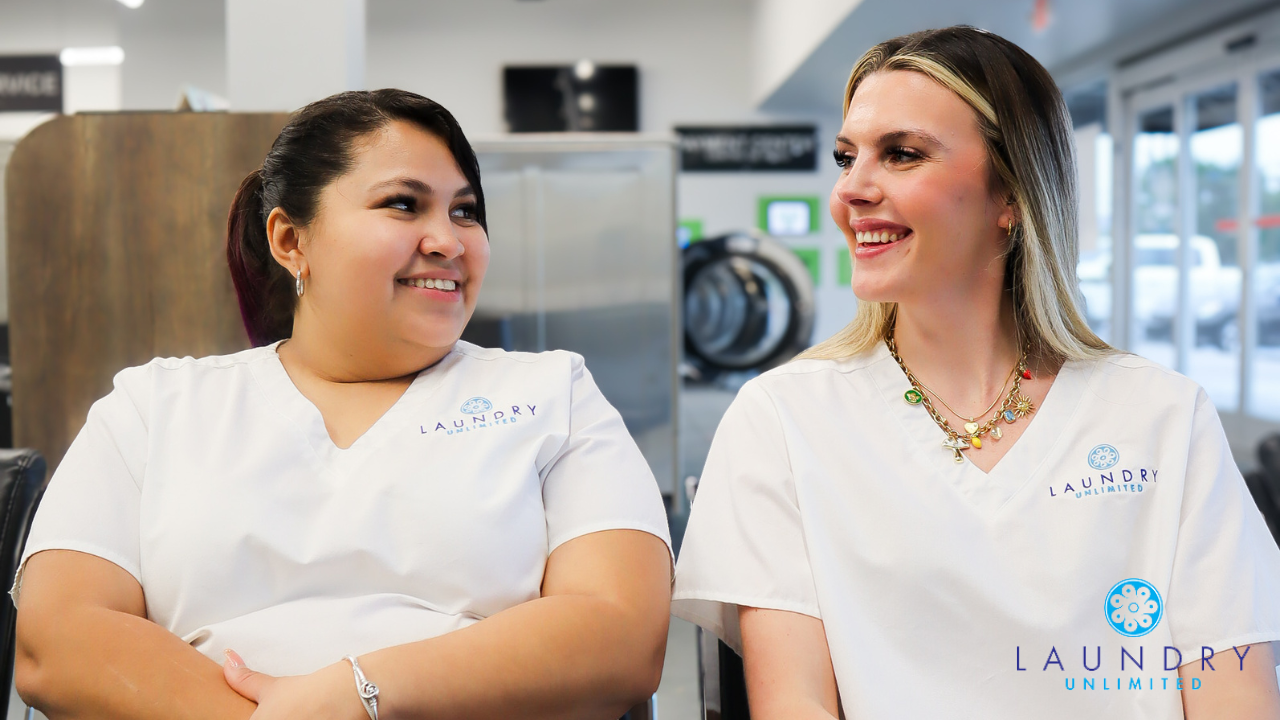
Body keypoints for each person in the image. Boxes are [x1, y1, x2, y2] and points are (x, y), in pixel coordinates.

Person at [672, 26, 1280, 720]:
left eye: (901, 154)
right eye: (846, 157)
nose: (852, 190)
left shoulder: (1164, 415)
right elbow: (796, 705)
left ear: (1011, 197)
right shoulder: (782, 418)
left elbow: (1233, 692)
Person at [13, 89, 672, 720]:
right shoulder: (155, 406)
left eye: (466, 211)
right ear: (290, 241)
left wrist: (361, 694)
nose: (448, 239)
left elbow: (620, 634)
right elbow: (58, 642)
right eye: (403, 204)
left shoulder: (553, 395)